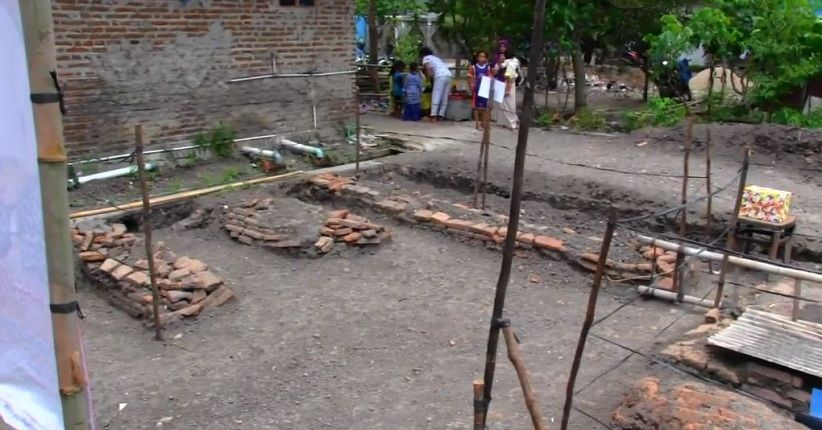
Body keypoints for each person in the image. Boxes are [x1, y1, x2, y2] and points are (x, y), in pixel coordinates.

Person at [420, 46, 453, 121]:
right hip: (449, 75)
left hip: (440, 75)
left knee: (436, 95)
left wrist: (430, 80)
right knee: (444, 96)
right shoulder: (436, 58)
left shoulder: (425, 58)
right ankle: (441, 115)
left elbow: (429, 70)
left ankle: (433, 115)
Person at [467, 51, 492, 130]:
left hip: (485, 89)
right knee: (476, 108)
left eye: (484, 57)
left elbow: (490, 76)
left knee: (485, 107)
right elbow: (469, 77)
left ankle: (483, 123)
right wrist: (471, 87)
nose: (482, 58)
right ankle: (477, 124)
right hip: (476, 89)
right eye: (480, 57)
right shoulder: (473, 67)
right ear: (477, 58)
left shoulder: (487, 67)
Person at [491, 38, 510, 124]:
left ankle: (505, 119)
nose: (502, 48)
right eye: (501, 47)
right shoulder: (496, 56)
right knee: (497, 100)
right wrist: (499, 62)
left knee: (506, 101)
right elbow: (494, 70)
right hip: (498, 78)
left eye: (504, 47)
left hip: (508, 79)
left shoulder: (510, 57)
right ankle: (496, 118)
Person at [499, 51, 520, 131]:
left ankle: (512, 123)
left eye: (503, 55)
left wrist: (507, 90)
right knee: (504, 104)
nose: (502, 57)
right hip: (507, 83)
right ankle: (505, 122)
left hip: (509, 84)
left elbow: (509, 77)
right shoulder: (509, 62)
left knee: (509, 104)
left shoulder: (511, 63)